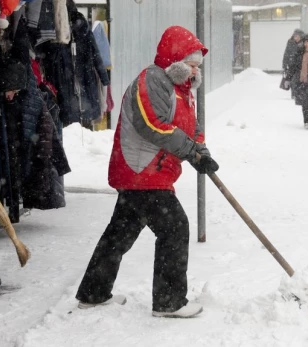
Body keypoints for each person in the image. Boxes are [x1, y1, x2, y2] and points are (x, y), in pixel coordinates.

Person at [74, 25, 219, 318]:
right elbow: (152, 125)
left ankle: (94, 293)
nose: (194, 71)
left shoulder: (182, 90)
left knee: (120, 234)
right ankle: (169, 301)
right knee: (175, 227)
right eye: (191, 64)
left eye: (197, 66)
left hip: (152, 172)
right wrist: (190, 151)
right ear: (176, 59)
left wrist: (200, 151)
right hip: (141, 169)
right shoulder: (151, 80)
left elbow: (192, 127)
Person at [282, 29, 304, 99]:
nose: (296, 38)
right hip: (292, 64)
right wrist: (284, 64)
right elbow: (286, 53)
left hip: (301, 65)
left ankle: (300, 93)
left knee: (300, 80)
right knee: (293, 80)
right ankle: (294, 94)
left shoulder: (304, 43)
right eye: (295, 36)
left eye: (298, 36)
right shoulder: (290, 42)